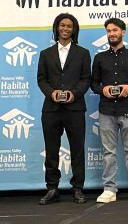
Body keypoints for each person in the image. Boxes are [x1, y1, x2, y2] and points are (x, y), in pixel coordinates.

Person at [91, 18, 128, 203]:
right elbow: (93, 83)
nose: (111, 34)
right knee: (109, 152)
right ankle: (109, 189)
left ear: (123, 32)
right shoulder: (99, 58)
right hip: (106, 110)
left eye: (115, 30)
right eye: (108, 31)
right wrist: (103, 89)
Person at [37, 13, 91, 205]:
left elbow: (86, 79)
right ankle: (52, 189)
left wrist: (73, 94)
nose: (65, 29)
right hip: (51, 109)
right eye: (62, 25)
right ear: (57, 28)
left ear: (74, 30)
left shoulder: (83, 53)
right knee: (51, 150)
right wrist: (51, 93)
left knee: (77, 150)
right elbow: (41, 79)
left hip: (75, 108)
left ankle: (78, 189)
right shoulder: (45, 53)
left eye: (69, 26)